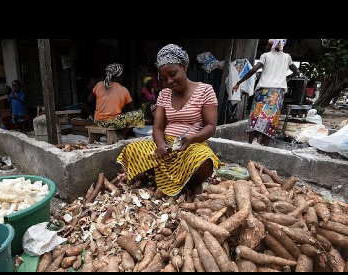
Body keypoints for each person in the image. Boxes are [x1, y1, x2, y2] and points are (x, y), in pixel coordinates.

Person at [117, 44, 222, 197]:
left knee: (205, 161)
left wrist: (192, 138)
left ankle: (189, 181)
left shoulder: (205, 90)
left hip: (191, 146)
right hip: (166, 146)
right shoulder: (164, 94)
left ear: (184, 67)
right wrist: (160, 145)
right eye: (164, 79)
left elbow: (211, 126)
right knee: (131, 150)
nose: (169, 81)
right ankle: (176, 179)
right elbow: (158, 127)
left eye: (173, 74)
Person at [232, 39, 300, 146]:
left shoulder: (266, 56)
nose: (266, 47)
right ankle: (265, 147)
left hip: (263, 92)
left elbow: (254, 70)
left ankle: (249, 144)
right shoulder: (287, 57)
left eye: (267, 45)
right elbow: (297, 72)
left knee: (256, 116)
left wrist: (239, 82)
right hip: (277, 94)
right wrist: (287, 78)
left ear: (271, 46)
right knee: (271, 120)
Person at [88, 63, 144, 130]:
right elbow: (131, 109)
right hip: (113, 122)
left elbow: (90, 100)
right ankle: (123, 134)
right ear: (119, 76)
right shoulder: (123, 90)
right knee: (139, 114)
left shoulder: (99, 84)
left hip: (98, 121)